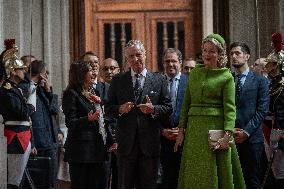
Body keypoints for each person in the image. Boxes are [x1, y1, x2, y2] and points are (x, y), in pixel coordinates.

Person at [174, 34, 246, 189]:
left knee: (214, 172)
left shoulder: (226, 77)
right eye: (205, 50)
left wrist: (227, 135)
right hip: (194, 130)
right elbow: (186, 104)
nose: (207, 54)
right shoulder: (194, 74)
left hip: (216, 129)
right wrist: (181, 130)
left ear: (219, 54)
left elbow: (230, 109)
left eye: (212, 51)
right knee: (194, 170)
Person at [105, 40, 172, 189]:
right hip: (126, 148)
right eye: (131, 56)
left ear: (145, 55)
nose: (135, 59)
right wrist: (120, 109)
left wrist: (153, 109)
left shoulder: (159, 79)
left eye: (138, 54)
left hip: (150, 146)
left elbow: (168, 108)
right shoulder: (118, 80)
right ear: (126, 59)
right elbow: (108, 109)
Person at [62, 61, 112, 189]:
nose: (95, 73)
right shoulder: (71, 93)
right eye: (90, 70)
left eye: (94, 70)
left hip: (98, 148)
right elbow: (70, 122)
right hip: (82, 152)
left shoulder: (93, 91)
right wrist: (87, 119)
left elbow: (102, 117)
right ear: (81, 74)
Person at [230, 42, 270, 189]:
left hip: (252, 139)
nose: (233, 56)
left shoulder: (260, 81)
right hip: (231, 138)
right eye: (231, 54)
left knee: (252, 181)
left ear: (247, 56)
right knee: (233, 181)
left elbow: (262, 111)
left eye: (237, 53)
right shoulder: (228, 79)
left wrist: (246, 132)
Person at [0, 39, 36, 189]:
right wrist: (31, 101)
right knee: (13, 180)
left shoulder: (16, 89)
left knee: (19, 178)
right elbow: (22, 114)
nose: (25, 71)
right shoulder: (7, 91)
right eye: (21, 69)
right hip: (15, 138)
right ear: (13, 71)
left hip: (23, 136)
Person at [28, 60, 60, 188]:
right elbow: (27, 118)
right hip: (38, 144)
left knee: (51, 182)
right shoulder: (29, 90)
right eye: (46, 73)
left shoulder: (44, 91)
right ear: (41, 75)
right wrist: (32, 142)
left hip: (51, 143)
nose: (47, 77)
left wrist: (49, 91)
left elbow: (54, 111)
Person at [160, 48, 188, 189]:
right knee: (166, 181)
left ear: (180, 63)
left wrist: (184, 130)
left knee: (184, 180)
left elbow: (193, 110)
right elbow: (152, 111)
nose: (170, 64)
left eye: (174, 61)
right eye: (167, 61)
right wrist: (162, 130)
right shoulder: (156, 82)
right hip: (162, 141)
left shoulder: (189, 83)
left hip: (185, 139)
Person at [264, 32, 284, 188]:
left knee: (281, 173)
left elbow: (281, 114)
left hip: (281, 131)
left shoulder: (281, 84)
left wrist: (275, 136)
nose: (266, 66)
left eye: (269, 63)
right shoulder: (273, 83)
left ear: (276, 65)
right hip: (274, 127)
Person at [101, 58, 120, 189]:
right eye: (105, 69)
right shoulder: (96, 90)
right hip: (103, 145)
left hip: (122, 143)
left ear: (119, 70)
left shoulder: (126, 89)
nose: (109, 71)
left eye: (112, 68)